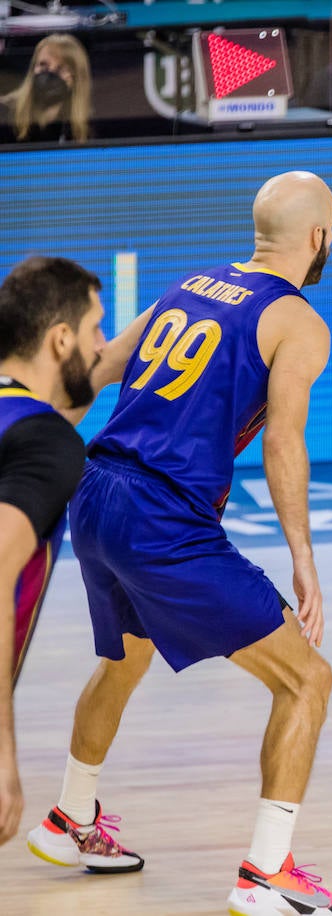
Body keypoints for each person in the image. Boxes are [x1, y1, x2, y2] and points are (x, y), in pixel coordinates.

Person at [25, 172, 332, 916]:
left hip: (96, 493)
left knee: (124, 658)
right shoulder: (299, 322)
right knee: (307, 680)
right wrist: (304, 560)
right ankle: (266, 875)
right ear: (319, 238)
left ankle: (70, 817)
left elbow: (99, 366)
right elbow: (283, 443)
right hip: (162, 520)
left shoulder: (193, 284)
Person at [0, 256, 123, 848]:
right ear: (61, 338)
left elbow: (88, 379)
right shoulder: (48, 444)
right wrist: (2, 756)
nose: (104, 344)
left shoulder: (24, 423)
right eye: (97, 328)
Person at [0, 34, 94, 144]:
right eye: (43, 65)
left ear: (76, 77)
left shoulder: (86, 125)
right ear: (33, 69)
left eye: (60, 69)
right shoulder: (4, 112)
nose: (49, 74)